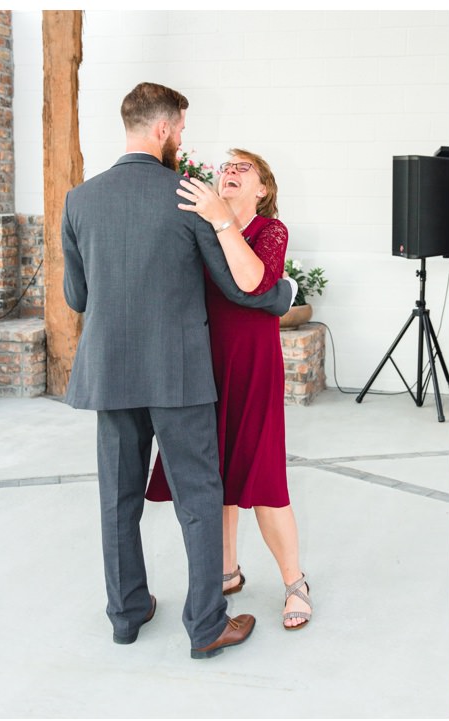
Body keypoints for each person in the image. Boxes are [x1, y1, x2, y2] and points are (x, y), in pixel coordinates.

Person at [61, 83, 295, 658]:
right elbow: (236, 286)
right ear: (164, 130)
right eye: (183, 129)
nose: (183, 139)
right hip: (179, 375)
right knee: (198, 496)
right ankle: (207, 624)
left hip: (110, 372)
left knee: (118, 498)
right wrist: (283, 293)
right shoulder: (189, 198)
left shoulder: (79, 200)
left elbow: (76, 295)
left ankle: (127, 611)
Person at [142, 148, 314, 630]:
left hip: (253, 365)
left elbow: (253, 281)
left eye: (244, 168)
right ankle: (226, 571)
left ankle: (295, 582)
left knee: (263, 481)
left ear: (263, 190)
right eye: (227, 167)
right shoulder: (199, 228)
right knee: (211, 476)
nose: (231, 172)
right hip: (202, 364)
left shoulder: (269, 232)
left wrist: (221, 221)